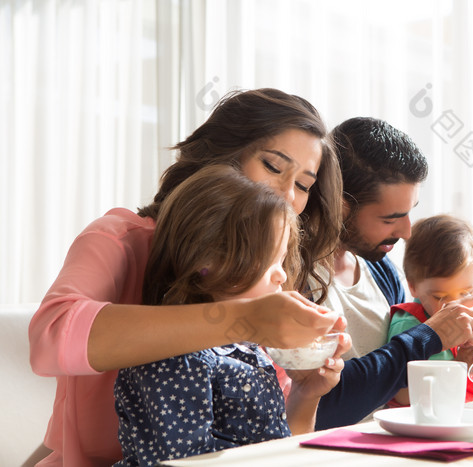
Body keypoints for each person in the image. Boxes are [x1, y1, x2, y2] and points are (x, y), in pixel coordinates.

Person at [28, 88, 345, 466]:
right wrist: (244, 319)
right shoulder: (123, 240)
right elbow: (51, 339)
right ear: (222, 155)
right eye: (274, 167)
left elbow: (269, 446)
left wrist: (305, 395)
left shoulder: (259, 284)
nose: (288, 195)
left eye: (304, 185)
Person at [114, 166, 349, 466]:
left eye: (281, 260)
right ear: (208, 260)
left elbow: (278, 451)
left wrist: (306, 393)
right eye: (268, 260)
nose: (281, 275)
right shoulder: (175, 360)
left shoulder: (247, 348)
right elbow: (184, 462)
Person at [314, 118, 473, 429]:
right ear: (341, 206)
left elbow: (406, 392)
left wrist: (459, 364)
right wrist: (429, 336)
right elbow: (322, 403)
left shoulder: (382, 271)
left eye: (410, 212)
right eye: (391, 218)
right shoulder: (295, 280)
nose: (407, 231)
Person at [387, 214, 473, 407]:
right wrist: (460, 365)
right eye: (440, 296)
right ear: (413, 287)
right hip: (428, 428)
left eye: (466, 292)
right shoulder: (410, 324)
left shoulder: (471, 319)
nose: (456, 305)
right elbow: (405, 395)